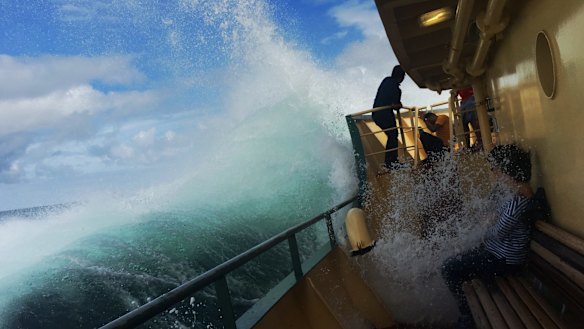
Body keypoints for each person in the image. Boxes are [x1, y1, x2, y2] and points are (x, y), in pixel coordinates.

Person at [441, 144, 534, 328]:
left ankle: (468, 317)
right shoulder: (512, 194)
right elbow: (493, 218)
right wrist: (491, 220)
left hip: (505, 261)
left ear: (507, 169)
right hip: (497, 254)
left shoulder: (519, 199)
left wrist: (488, 223)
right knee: (456, 256)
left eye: (495, 167)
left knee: (449, 268)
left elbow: (498, 233)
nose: (493, 172)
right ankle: (469, 312)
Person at [372, 65, 406, 169]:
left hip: (376, 113)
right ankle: (391, 162)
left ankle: (390, 161)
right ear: (402, 77)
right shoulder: (396, 88)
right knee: (393, 135)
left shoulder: (386, 81)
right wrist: (399, 105)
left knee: (392, 135)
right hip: (385, 114)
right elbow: (395, 106)